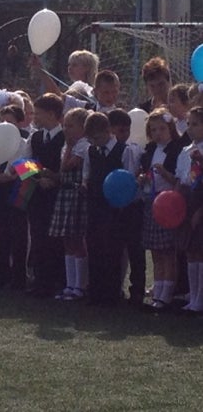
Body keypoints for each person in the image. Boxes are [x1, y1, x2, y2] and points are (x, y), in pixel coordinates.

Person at [82, 112, 140, 306]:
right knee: (94, 247)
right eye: (91, 139)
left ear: (108, 131)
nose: (94, 142)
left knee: (113, 249)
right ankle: (95, 291)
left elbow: (128, 178)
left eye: (97, 137)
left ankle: (112, 292)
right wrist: (85, 184)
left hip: (115, 208)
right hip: (95, 205)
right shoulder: (91, 151)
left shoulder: (124, 150)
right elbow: (87, 174)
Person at [139, 108, 183, 310]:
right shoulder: (149, 150)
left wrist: (164, 173)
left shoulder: (176, 150)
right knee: (156, 251)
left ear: (170, 129)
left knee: (167, 252)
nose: (158, 133)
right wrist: (143, 178)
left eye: (162, 129)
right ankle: (157, 291)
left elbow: (178, 179)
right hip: (152, 201)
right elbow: (145, 173)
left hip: (168, 203)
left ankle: (167, 294)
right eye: (154, 130)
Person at [0, 104, 30, 289]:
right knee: (0, 232)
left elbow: (30, 165)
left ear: (20, 123)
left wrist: (12, 176)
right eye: (2, 120)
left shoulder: (25, 143)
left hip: (17, 189)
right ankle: (2, 272)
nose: (5, 124)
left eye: (10, 121)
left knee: (17, 234)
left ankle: (18, 276)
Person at [26, 93, 65, 297]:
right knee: (38, 236)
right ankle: (40, 279)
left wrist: (55, 179)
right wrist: (38, 177)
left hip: (57, 197)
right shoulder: (35, 137)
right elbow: (25, 163)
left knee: (55, 239)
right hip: (37, 195)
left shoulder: (65, 137)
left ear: (51, 114)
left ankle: (57, 280)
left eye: (38, 113)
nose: (35, 117)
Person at [49, 107, 90, 301]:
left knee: (77, 240)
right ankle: (70, 284)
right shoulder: (67, 146)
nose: (66, 129)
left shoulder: (83, 146)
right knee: (67, 241)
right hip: (64, 194)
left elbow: (67, 166)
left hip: (76, 196)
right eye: (65, 125)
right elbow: (60, 172)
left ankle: (80, 285)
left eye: (70, 126)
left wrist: (69, 148)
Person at [108, 108, 146, 305]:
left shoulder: (133, 149)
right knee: (115, 249)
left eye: (126, 130)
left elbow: (133, 175)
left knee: (135, 249)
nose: (123, 135)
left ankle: (137, 290)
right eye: (119, 131)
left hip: (133, 205)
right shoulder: (106, 149)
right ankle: (114, 287)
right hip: (114, 206)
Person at [175, 106, 203, 313]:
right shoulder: (185, 151)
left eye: (196, 124)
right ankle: (193, 297)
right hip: (187, 201)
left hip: (199, 201)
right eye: (189, 124)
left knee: (200, 251)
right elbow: (181, 179)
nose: (191, 128)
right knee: (191, 251)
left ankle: (200, 298)